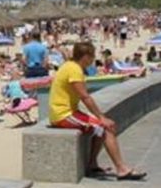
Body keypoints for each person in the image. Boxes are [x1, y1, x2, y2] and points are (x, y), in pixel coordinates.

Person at [48, 41, 146, 180]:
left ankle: (92, 165)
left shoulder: (70, 66)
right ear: (85, 57)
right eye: (92, 56)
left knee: (102, 128)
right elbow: (85, 96)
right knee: (105, 127)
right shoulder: (74, 69)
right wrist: (100, 117)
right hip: (63, 115)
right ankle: (121, 169)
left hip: (68, 112)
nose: (93, 59)